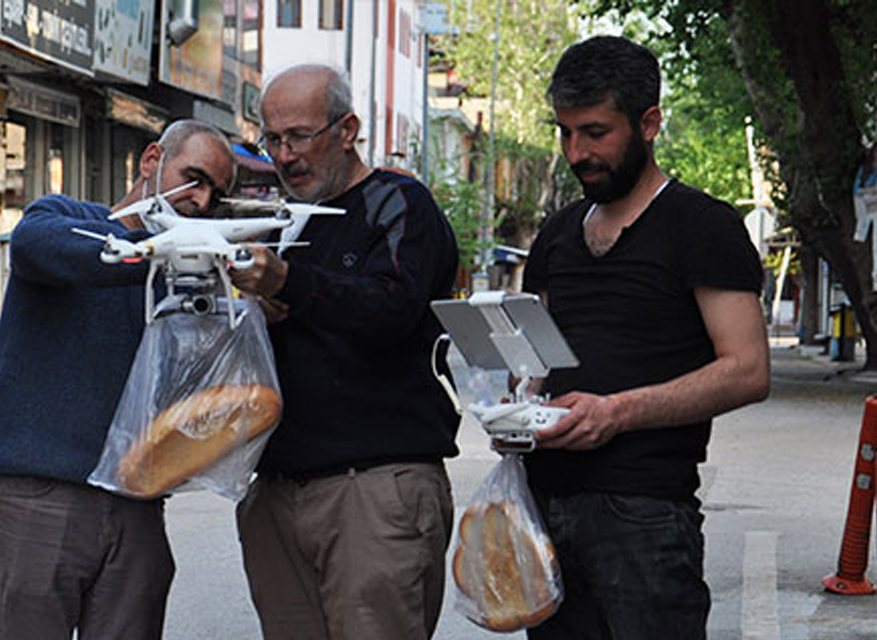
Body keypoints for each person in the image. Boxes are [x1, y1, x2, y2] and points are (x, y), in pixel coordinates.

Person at [521, 36, 770, 639]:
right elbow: (531, 365)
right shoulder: (556, 234)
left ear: (650, 123)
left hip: (646, 517)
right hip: (543, 511)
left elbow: (747, 370)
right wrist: (509, 406)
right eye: (565, 133)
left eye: (595, 133)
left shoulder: (702, 225)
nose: (577, 152)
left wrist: (617, 413)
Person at [0, 119, 235, 640]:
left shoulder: (190, 271)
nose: (202, 201)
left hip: (137, 506)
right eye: (194, 178)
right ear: (152, 160)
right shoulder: (66, 218)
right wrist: (159, 252)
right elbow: (37, 244)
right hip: (42, 496)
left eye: (216, 195)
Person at [228, 63, 461, 640]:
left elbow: (393, 310)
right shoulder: (281, 224)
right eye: (272, 139)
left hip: (373, 488)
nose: (284, 156)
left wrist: (290, 284)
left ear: (348, 129)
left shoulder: (398, 202)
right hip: (275, 491)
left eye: (299, 136)